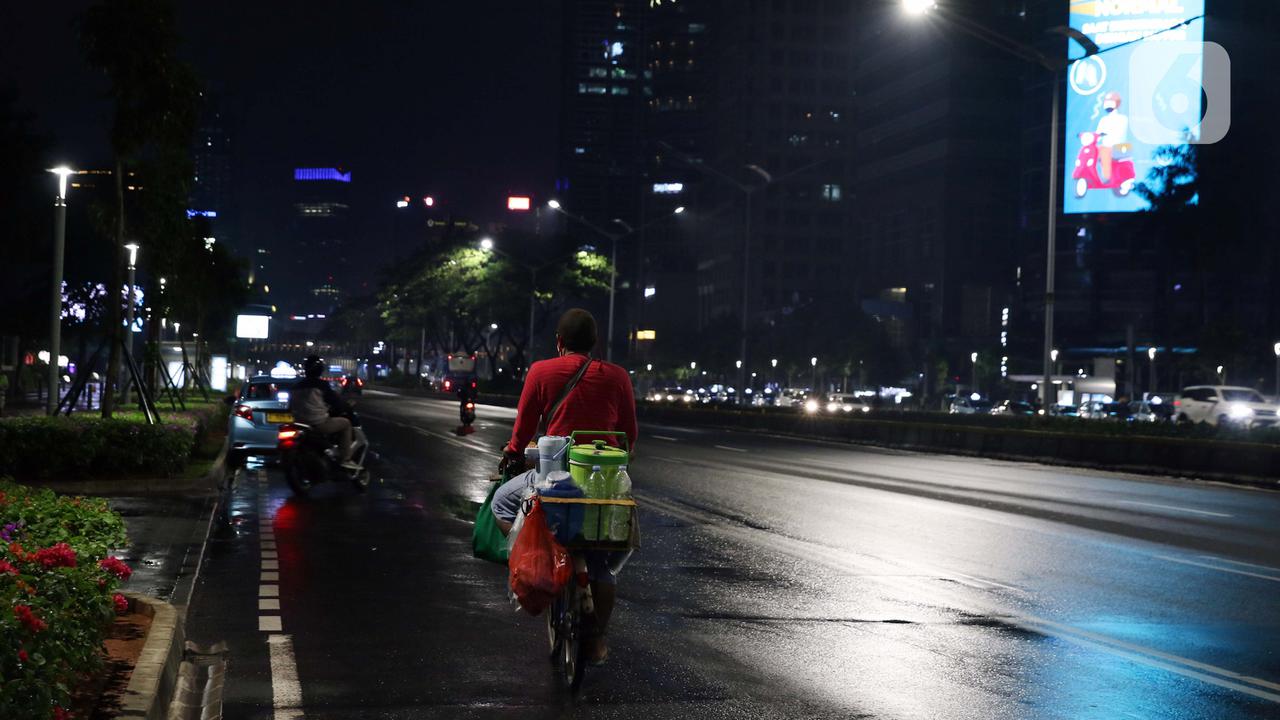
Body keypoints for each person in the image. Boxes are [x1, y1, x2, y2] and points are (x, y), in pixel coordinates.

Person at [491, 308, 637, 665]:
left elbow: (523, 431)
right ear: (594, 343)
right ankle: (598, 638)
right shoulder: (618, 376)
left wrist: (512, 455)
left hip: (552, 479)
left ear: (559, 342)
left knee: (500, 503)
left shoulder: (541, 371)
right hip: (602, 484)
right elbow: (629, 437)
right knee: (603, 562)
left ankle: (539, 556)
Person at [289, 355, 360, 471]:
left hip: (298, 423)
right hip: (317, 423)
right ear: (320, 370)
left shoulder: (296, 387)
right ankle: (346, 459)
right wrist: (345, 406)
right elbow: (335, 402)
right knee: (346, 423)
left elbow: (290, 407)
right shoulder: (321, 385)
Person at [1095, 91, 1129, 183]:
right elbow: (1097, 134)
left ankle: (1107, 177)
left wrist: (1106, 134)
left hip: (1119, 148)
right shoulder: (1104, 120)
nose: (1107, 104)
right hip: (1107, 147)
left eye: (1110, 101)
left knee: (1104, 151)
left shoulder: (1122, 119)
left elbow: (1120, 134)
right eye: (1106, 101)